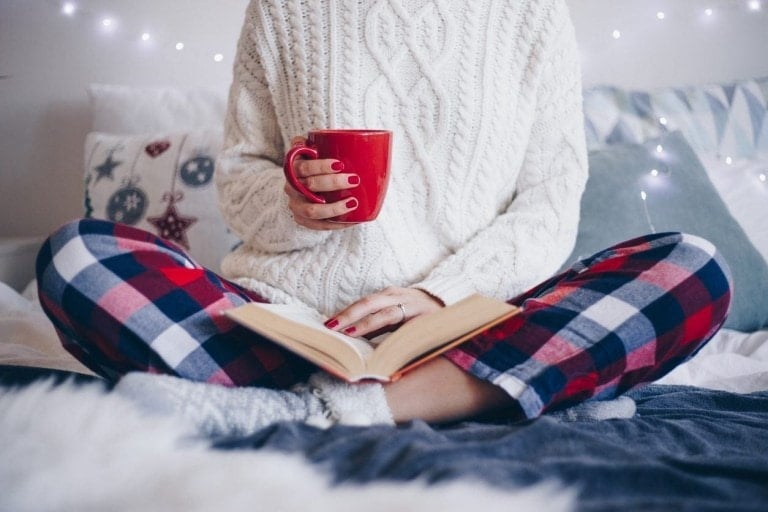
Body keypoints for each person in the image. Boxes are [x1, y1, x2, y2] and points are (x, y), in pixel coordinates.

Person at [36, 0, 731, 435]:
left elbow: (551, 198)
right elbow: (239, 176)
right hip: (294, 324)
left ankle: (321, 409)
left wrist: (441, 297)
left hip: (474, 323)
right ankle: (492, 395)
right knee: (76, 258)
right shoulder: (283, 7)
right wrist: (294, 204)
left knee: (691, 270)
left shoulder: (531, 11)